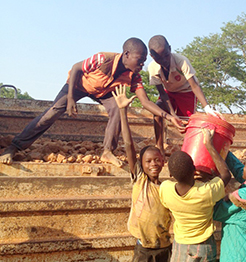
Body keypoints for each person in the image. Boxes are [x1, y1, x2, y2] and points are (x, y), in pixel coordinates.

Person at [0, 38, 184, 167]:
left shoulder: (134, 76)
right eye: (140, 59)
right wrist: (71, 97)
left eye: (144, 61)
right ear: (127, 54)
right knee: (51, 113)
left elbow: (145, 101)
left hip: (103, 92)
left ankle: (107, 151)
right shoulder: (103, 59)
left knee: (117, 110)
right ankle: (14, 147)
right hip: (78, 86)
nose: (142, 64)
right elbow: (76, 68)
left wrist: (169, 116)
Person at [155, 131, 231, 262]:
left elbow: (176, 181)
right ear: (194, 170)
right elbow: (225, 175)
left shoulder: (166, 189)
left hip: (180, 249)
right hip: (203, 250)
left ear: (172, 174)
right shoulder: (206, 192)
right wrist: (208, 144)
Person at [111, 84, 174, 262]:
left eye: (158, 160)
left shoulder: (169, 186)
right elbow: (128, 145)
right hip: (143, 253)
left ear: (163, 162)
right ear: (142, 164)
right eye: (149, 161)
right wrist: (123, 112)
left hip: (165, 252)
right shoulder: (140, 180)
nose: (154, 164)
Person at [148, 35, 221, 155]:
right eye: (159, 58)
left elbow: (194, 85)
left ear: (170, 49)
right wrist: (172, 114)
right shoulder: (153, 68)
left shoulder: (181, 61)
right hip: (169, 94)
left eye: (166, 55)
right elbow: (162, 92)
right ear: (152, 57)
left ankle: (189, 150)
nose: (164, 60)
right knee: (158, 109)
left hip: (186, 92)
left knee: (187, 123)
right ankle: (159, 147)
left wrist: (207, 108)